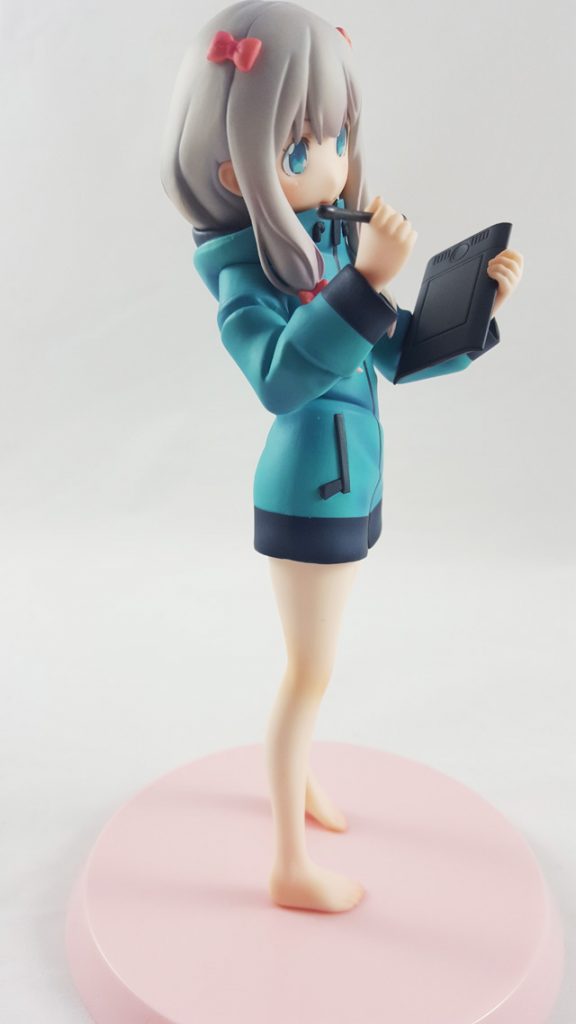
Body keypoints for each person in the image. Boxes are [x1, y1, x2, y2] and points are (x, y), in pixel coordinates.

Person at [160, 0, 524, 912]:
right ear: (233, 168)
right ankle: (287, 865)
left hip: (351, 480)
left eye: (339, 137)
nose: (331, 163)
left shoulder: (326, 243)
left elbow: (392, 354)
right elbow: (280, 380)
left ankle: (301, 779)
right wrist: (364, 281)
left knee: (315, 668)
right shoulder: (245, 279)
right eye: (299, 150)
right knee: (308, 675)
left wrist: (472, 313)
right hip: (307, 490)